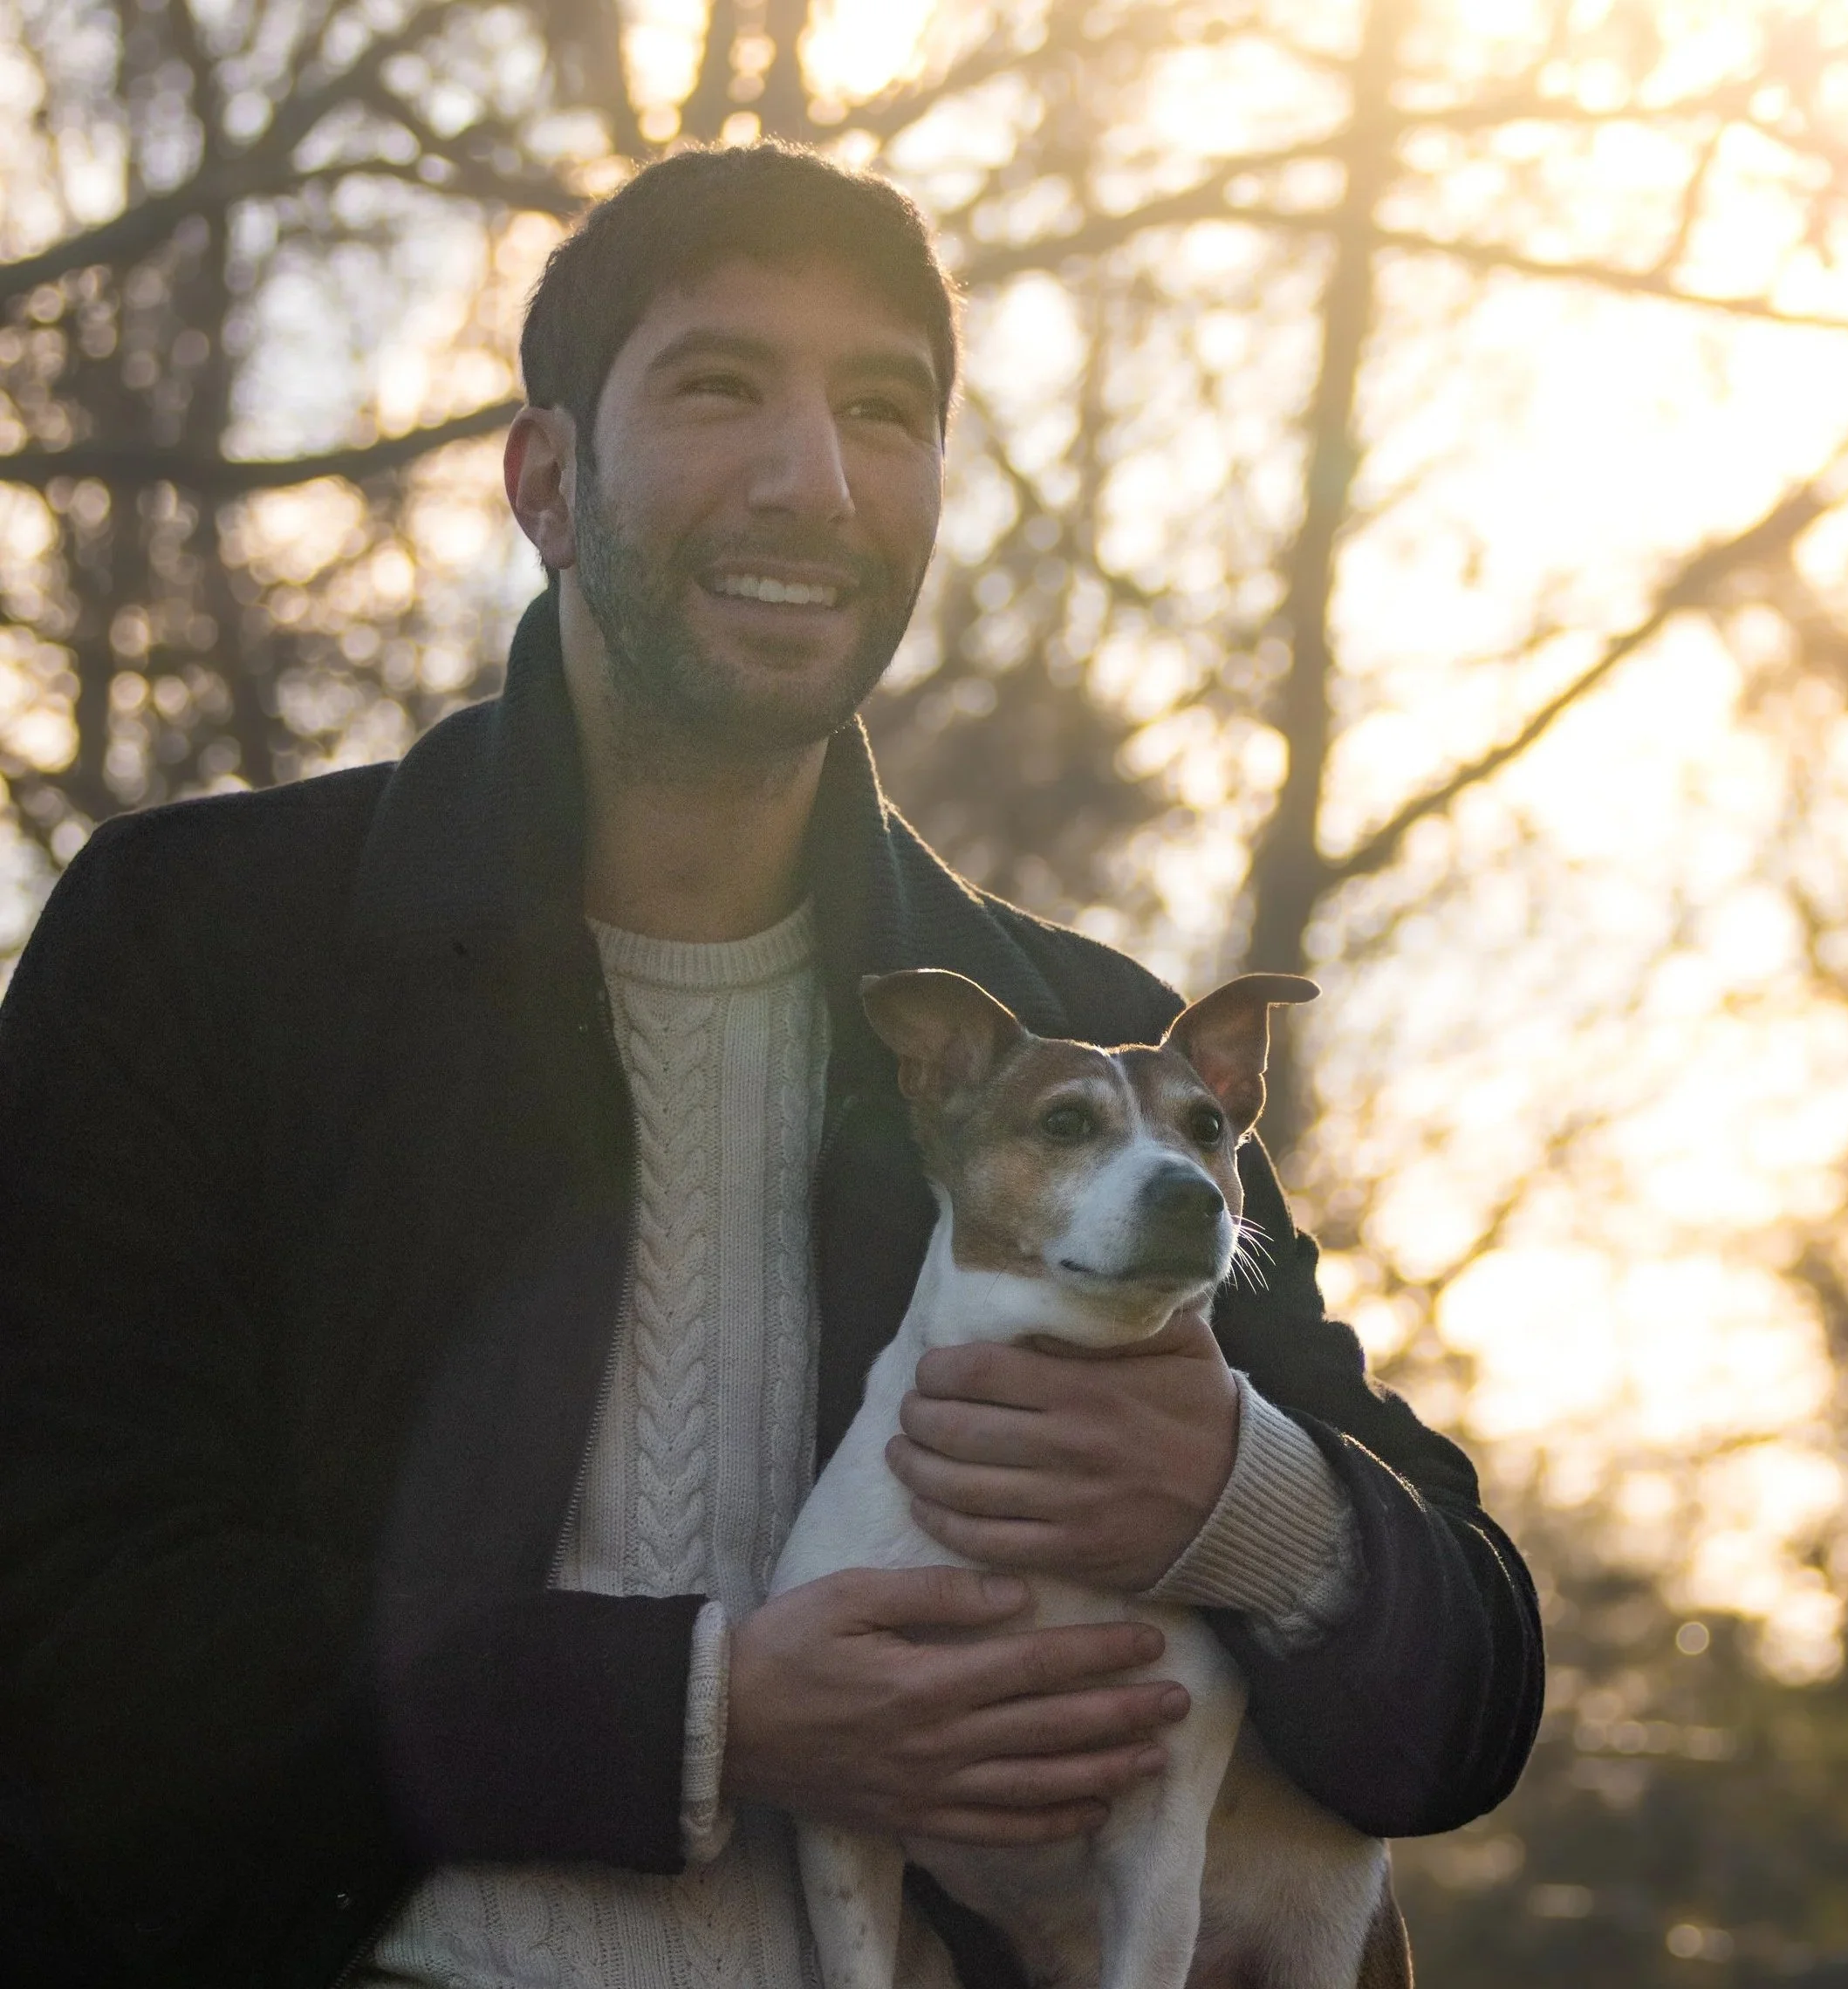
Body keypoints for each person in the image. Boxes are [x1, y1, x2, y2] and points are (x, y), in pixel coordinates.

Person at [0, 144, 1542, 1989]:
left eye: (884, 411)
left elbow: (1454, 1716)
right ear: (548, 479)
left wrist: (1255, 1505)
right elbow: (60, 1620)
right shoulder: (209, 947)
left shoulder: (1078, 1050)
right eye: (722, 386)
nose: (814, 480)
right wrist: (702, 1717)